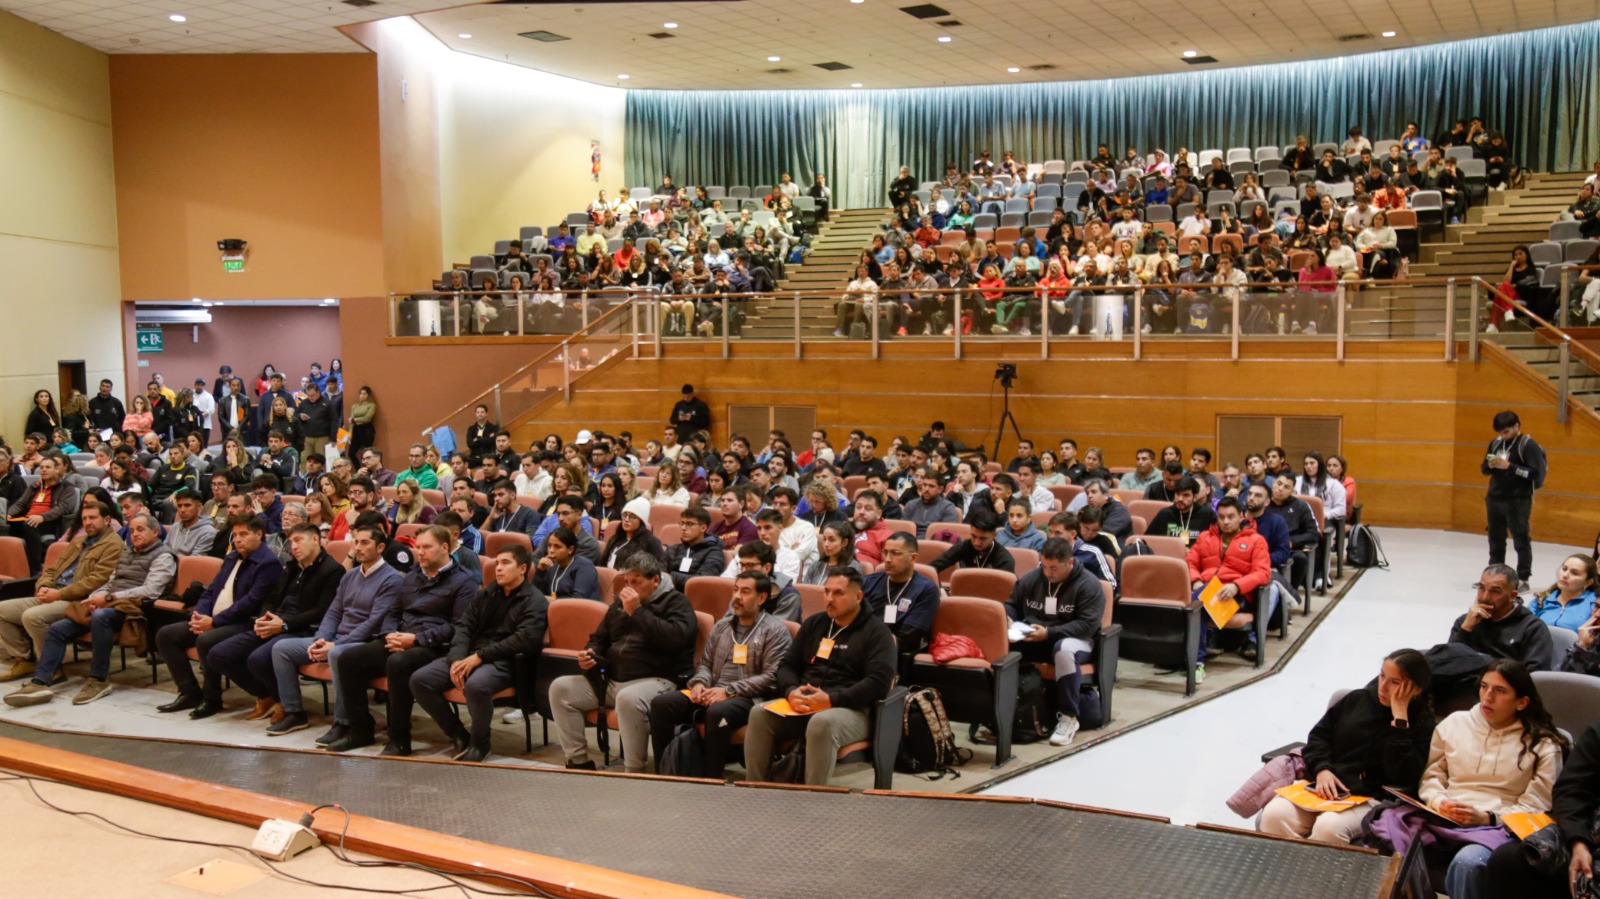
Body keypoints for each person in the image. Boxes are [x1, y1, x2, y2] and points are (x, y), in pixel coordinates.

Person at [1407, 660, 1565, 899]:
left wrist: (1487, 817)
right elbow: (1432, 776)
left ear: (1522, 702)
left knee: (1469, 863)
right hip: (1446, 816)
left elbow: (1537, 806)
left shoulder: (1542, 744)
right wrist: (1440, 802)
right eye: (1484, 686)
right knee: (1397, 842)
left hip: (1501, 826)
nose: (1487, 697)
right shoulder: (1454, 723)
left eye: (1500, 691)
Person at [325, 525, 479, 754]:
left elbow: (458, 627)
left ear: (445, 547)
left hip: (435, 645)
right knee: (348, 659)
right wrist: (389, 634)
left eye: (427, 547)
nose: (421, 553)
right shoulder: (413, 576)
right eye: (418, 548)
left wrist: (415, 640)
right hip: (401, 639)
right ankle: (360, 730)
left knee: (398, 664)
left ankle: (399, 739)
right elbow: (393, 612)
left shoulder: (464, 581)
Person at [1258, 649, 1434, 845]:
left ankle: (1319, 875)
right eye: (1382, 675)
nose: (1382, 687)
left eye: (1395, 683)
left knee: (1328, 828)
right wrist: (1322, 769)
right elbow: (1318, 737)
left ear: (1416, 689)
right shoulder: (1357, 699)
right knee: (1274, 815)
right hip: (1328, 786)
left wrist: (1400, 721)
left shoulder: (1422, 722)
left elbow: (1403, 775)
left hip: (1372, 798)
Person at [743, 566, 897, 785]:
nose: (829, 599)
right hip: (806, 703)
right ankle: (754, 787)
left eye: (838, 593)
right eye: (826, 592)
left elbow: (878, 684)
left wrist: (831, 700)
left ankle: (814, 797)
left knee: (821, 722)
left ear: (858, 596)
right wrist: (791, 691)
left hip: (851, 709)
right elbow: (787, 665)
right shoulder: (815, 623)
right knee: (759, 713)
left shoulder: (877, 632)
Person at [4, 512, 176, 707]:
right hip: (107, 603)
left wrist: (109, 598)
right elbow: (110, 582)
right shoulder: (128, 552)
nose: (134, 534)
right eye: (132, 530)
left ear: (155, 532)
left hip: (132, 609)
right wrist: (96, 597)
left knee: (101, 616)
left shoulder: (164, 556)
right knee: (57, 629)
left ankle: (98, 680)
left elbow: (150, 591)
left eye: (141, 530)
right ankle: (41, 681)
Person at [549, 554, 696, 772]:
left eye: (636, 581)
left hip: (658, 680)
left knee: (628, 699)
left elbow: (675, 639)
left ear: (655, 580)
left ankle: (634, 770)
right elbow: (598, 637)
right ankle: (579, 762)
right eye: (626, 582)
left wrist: (637, 612)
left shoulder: (677, 602)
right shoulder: (619, 604)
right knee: (560, 689)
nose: (630, 588)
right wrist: (591, 653)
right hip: (612, 678)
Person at [264, 522, 404, 739]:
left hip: (363, 643)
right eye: (356, 542)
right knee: (281, 648)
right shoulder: (350, 575)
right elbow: (333, 612)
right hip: (335, 638)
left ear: (380, 548)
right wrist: (321, 638)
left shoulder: (392, 578)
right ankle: (294, 712)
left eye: (365, 543)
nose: (358, 547)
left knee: (338, 655)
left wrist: (335, 645)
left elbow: (374, 623)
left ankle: (343, 721)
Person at [648, 569, 792, 778]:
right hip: (713, 691)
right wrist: (699, 684)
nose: (737, 597)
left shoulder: (775, 630)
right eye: (735, 590)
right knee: (662, 705)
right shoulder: (722, 627)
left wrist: (729, 690)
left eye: (745, 592)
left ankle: (711, 778)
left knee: (717, 712)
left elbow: (772, 676)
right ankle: (665, 773)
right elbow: (705, 664)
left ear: (761, 598)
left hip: (749, 698)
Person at [412, 542, 547, 762]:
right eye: (497, 563)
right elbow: (464, 626)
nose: (498, 568)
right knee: (420, 680)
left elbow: (522, 640)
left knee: (476, 685)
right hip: (471, 656)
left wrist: (480, 656)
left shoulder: (535, 601)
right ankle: (459, 735)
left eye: (506, 563)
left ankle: (480, 743)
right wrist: (457, 658)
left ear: (522, 569)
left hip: (505, 662)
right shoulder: (487, 593)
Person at [206, 522, 344, 721]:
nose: (294, 546)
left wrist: (284, 624)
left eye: (299, 540)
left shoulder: (332, 570)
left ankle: (287, 705)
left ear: (315, 540)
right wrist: (265, 617)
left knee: (258, 659)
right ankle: (266, 695)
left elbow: (322, 612)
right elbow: (271, 597)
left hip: (301, 629)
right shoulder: (291, 566)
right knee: (219, 655)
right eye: (291, 542)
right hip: (275, 624)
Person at [155, 513, 285, 717]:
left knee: (206, 640)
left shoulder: (268, 563)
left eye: (243, 534)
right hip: (213, 619)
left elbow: (251, 601)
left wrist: (214, 622)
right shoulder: (232, 557)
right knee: (166, 635)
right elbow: (211, 590)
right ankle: (189, 692)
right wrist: (200, 615)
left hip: (244, 622)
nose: (238, 539)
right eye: (235, 535)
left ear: (259, 534)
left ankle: (212, 699)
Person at [0, 500, 122, 682]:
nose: (88, 522)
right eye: (84, 518)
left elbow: (95, 581)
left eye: (93, 518)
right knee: (2, 610)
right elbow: (51, 569)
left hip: (76, 601)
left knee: (32, 617)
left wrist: (58, 594)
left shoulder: (114, 545)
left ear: (107, 520)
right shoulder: (78, 541)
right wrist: (43, 586)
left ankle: (50, 667)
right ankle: (25, 659)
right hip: (52, 593)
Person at [1005, 536, 1108, 746]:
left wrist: (1049, 633)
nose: (1048, 573)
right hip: (1036, 635)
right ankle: (1004, 712)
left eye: (1054, 568)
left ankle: (1069, 717)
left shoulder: (1089, 585)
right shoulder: (1033, 578)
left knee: (1064, 649)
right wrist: (1007, 616)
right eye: (1044, 566)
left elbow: (1086, 626)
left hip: (1077, 640)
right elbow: (1012, 603)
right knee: (1001, 642)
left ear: (1069, 563)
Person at [1187, 497, 1273, 676]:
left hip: (1238, 594)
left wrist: (1236, 586)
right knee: (1198, 602)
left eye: (1231, 517)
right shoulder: (1205, 537)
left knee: (1194, 604)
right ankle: (1193, 659)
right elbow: (1190, 562)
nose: (1226, 522)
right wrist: (1195, 579)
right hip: (1205, 588)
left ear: (1242, 516)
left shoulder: (1256, 541)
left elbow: (1263, 573)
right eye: (1222, 517)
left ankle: (1195, 661)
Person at [1481, 411, 1546, 591]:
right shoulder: (1496, 443)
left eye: (1506, 432)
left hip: (1518, 499)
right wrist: (1491, 465)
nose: (1503, 435)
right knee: (1495, 539)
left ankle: (1523, 577)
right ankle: (1494, 575)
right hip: (1494, 498)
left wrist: (1511, 467)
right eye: (1500, 432)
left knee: (1520, 539)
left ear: (1517, 426)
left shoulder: (1528, 445)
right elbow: (1484, 469)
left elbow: (1535, 473)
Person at [1448, 563, 1554, 671]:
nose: (1485, 597)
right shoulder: (1466, 621)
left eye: (1495, 591)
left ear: (1512, 596)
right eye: (1482, 588)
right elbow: (1446, 664)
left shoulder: (1532, 628)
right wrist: (1465, 629)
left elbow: (1534, 676)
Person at [861, 531, 942, 663]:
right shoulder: (868, 582)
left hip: (891, 656)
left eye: (895, 553)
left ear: (913, 558)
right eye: (885, 552)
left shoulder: (926, 590)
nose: (887, 559)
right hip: (860, 648)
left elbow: (909, 638)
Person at [9, 453, 82, 574]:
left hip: (50, 521)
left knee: (29, 525)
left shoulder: (66, 487)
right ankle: (12, 567)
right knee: (6, 525)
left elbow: (62, 508)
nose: (43, 470)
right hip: (28, 518)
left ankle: (35, 570)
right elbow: (20, 504)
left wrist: (42, 517)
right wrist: (9, 515)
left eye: (48, 467)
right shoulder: (35, 486)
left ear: (57, 469)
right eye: (41, 467)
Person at [929, 509, 1016, 576]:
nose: (977, 542)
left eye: (983, 538)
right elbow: (935, 565)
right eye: (973, 536)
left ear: (995, 535)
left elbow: (1004, 590)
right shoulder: (966, 545)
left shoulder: (1005, 560)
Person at [1528, 554, 1598, 632]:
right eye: (1564, 569)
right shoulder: (1541, 599)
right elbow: (1525, 628)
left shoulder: (1595, 604)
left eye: (1574, 573)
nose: (1565, 575)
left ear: (1588, 582)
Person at [662, 505, 725, 591]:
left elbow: (701, 582)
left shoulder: (714, 552)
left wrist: (670, 576)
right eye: (682, 523)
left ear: (703, 528)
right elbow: (658, 573)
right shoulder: (673, 549)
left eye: (689, 524)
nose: (683, 528)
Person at [1144, 476, 1216, 546]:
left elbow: (1216, 542)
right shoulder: (1165, 514)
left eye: (1186, 495)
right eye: (1177, 494)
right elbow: (1147, 541)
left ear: (1195, 497)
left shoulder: (1207, 514)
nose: (1180, 499)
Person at [531, 527, 600, 600]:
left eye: (557, 546)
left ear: (570, 549)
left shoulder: (584, 566)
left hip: (578, 610)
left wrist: (552, 602)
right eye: (549, 545)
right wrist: (540, 572)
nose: (551, 550)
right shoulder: (551, 566)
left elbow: (578, 600)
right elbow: (535, 596)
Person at [163, 488, 216, 557]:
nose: (182, 510)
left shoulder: (208, 532)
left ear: (199, 507)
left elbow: (194, 562)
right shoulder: (175, 527)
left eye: (187, 505)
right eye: (179, 506)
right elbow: (163, 551)